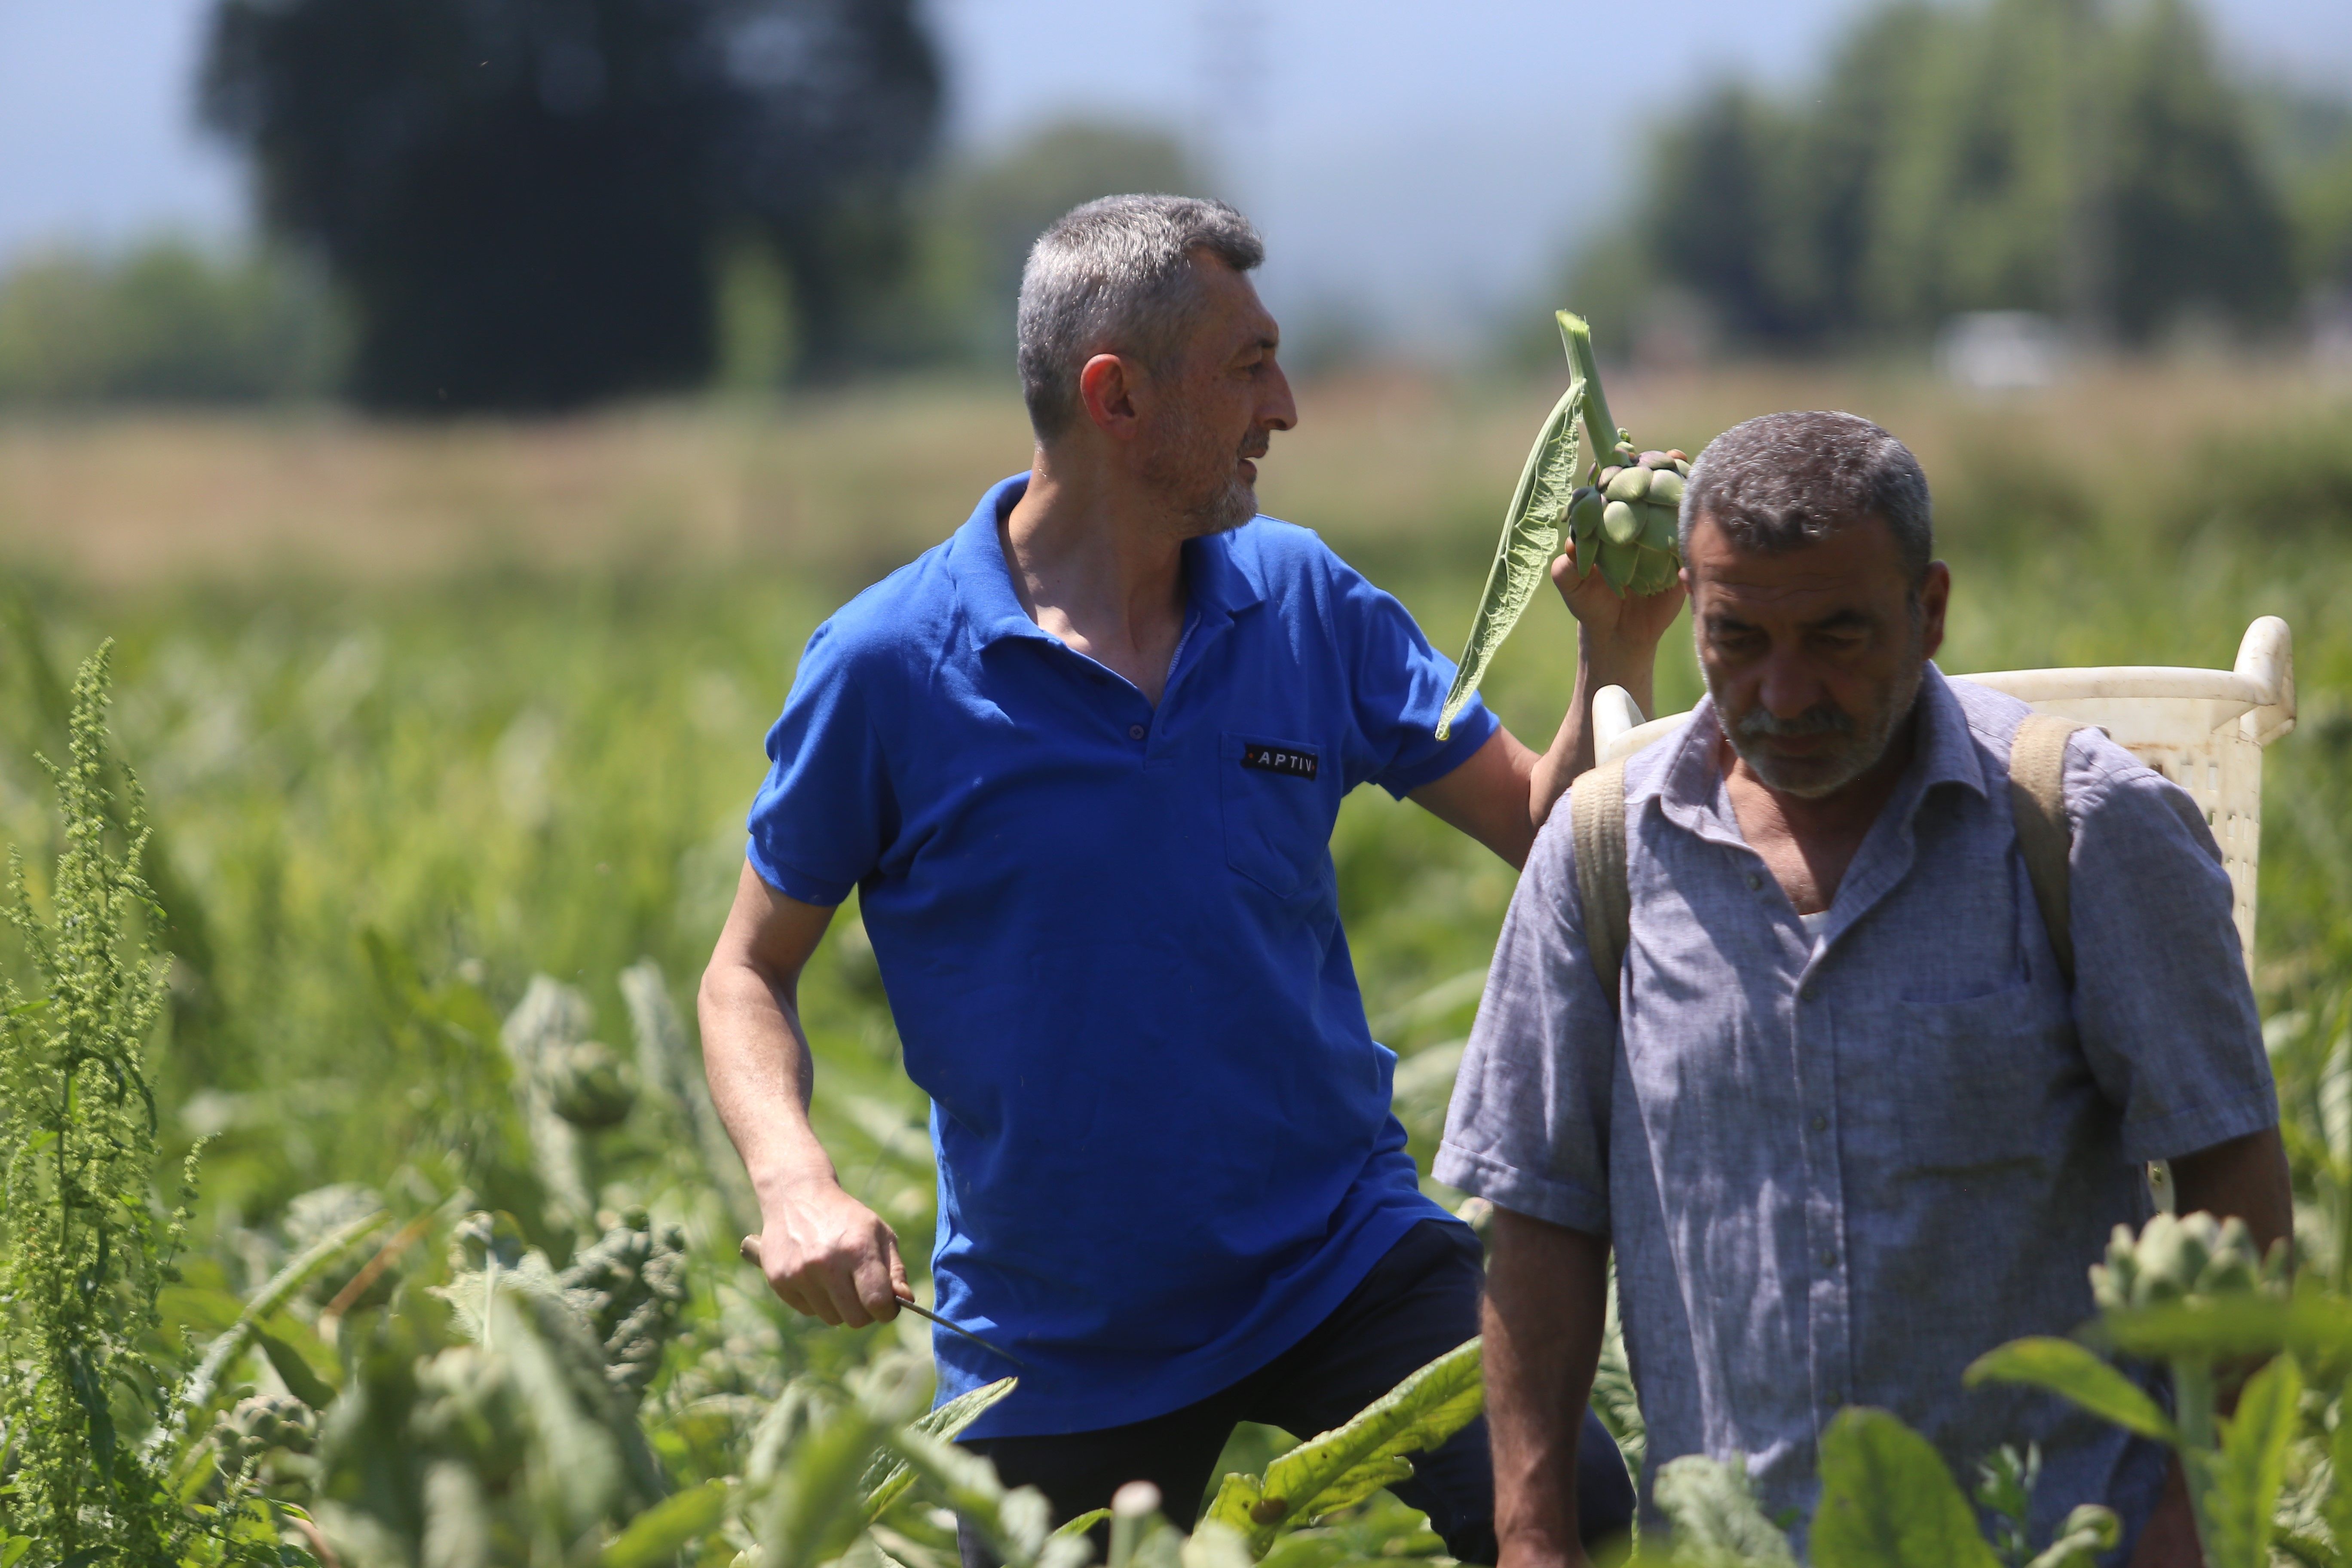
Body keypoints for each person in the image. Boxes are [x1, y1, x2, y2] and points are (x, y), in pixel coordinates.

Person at [698, 194, 1661, 1561]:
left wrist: (1614, 647)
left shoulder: (1304, 599)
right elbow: (747, 969)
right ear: (1118, 397)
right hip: (1056, 1326)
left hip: (1336, 1248)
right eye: (1248, 366)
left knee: (1562, 1500)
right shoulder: (888, 667)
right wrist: (794, 1181)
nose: (1286, 407)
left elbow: (1546, 826)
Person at [1435, 410, 2292, 1567]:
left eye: (1838, 637)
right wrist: (1533, 1533)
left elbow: (2228, 1162)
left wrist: (2201, 1513)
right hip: (1742, 1544)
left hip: (2053, 1537)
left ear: (1928, 610)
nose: (1784, 695)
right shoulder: (1605, 853)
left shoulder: (2078, 823)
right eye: (1738, 640)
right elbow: (1540, 1210)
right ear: (1690, 605)